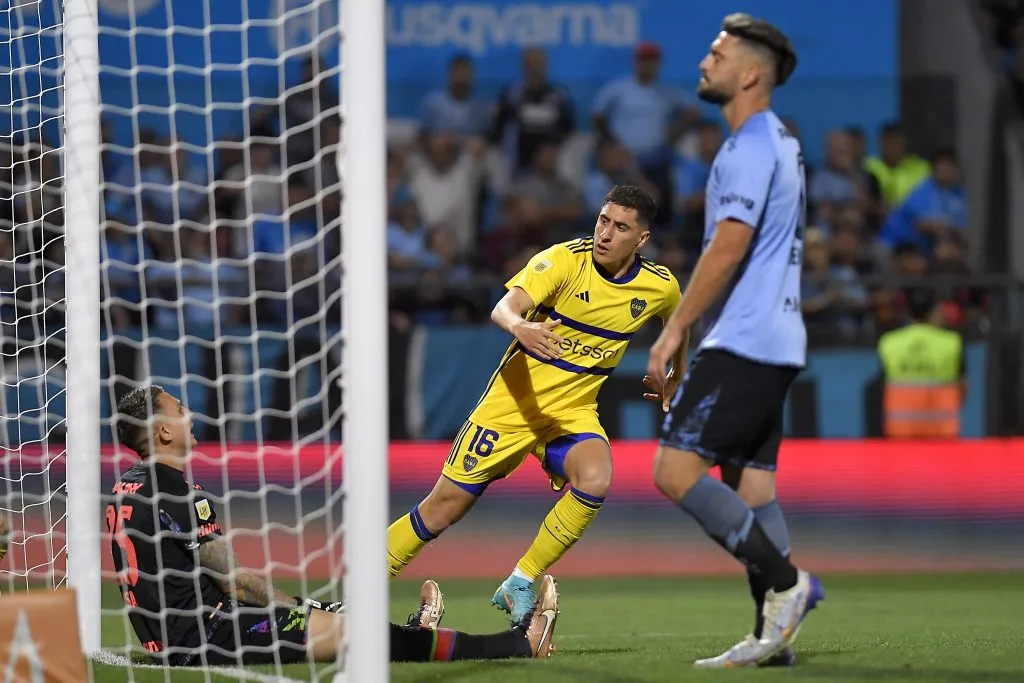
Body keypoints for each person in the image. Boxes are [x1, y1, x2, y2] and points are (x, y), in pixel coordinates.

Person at [387, 185, 682, 621]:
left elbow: (679, 323)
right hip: (511, 407)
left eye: (620, 227)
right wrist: (520, 327)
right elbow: (505, 307)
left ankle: (520, 581)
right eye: (603, 220)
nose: (605, 233)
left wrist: (676, 373)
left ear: (641, 240)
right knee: (442, 508)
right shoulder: (563, 260)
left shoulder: (659, 287)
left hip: (571, 413)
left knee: (596, 476)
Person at [108, 385, 559, 667]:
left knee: (343, 624)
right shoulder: (179, 493)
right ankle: (518, 646)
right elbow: (236, 584)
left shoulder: (126, 487)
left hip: (177, 638)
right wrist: (303, 609)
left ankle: (414, 635)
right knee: (358, 637)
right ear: (162, 433)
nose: (189, 415)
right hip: (207, 638)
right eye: (179, 409)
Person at [643, 14, 823, 668]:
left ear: (750, 74)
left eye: (717, 54)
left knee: (673, 468)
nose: (704, 62)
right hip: (776, 335)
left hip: (746, 338)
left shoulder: (749, 145)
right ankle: (773, 642)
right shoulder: (783, 142)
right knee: (752, 489)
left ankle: (786, 583)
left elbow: (731, 242)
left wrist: (677, 325)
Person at [878, 286, 966, 439]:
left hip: (900, 434)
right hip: (942, 434)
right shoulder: (952, 342)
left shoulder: (889, 342)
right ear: (933, 311)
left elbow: (881, 387)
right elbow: (964, 387)